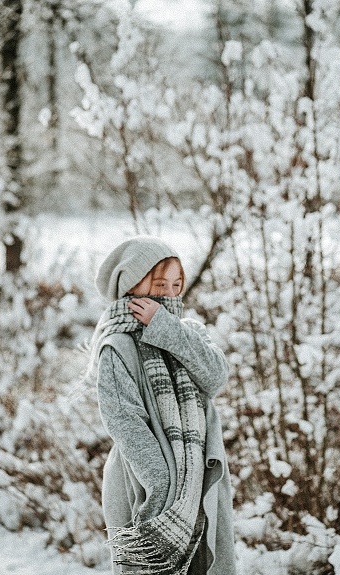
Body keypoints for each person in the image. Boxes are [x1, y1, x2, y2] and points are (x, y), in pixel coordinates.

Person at [87, 236, 236, 574]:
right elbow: (126, 423)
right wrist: (163, 490)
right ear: (131, 286)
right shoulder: (117, 346)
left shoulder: (188, 333)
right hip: (144, 483)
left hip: (201, 479)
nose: (169, 294)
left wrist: (165, 327)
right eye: (159, 284)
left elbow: (214, 376)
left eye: (176, 285)